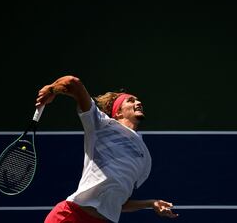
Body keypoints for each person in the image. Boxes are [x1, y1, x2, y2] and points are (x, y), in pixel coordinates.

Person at [36, 75, 178, 223]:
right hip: (72, 215)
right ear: (118, 113)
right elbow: (73, 82)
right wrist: (51, 89)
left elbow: (118, 203)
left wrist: (150, 203)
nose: (138, 102)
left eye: (137, 100)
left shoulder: (144, 158)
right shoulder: (101, 125)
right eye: (131, 100)